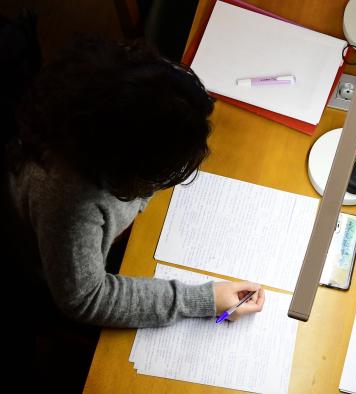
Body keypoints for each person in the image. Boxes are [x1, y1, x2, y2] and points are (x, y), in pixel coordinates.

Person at [3, 38, 265, 329]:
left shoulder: (135, 86)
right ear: (130, 165)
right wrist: (203, 299)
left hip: (114, 228)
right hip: (48, 265)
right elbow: (85, 298)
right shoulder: (71, 201)